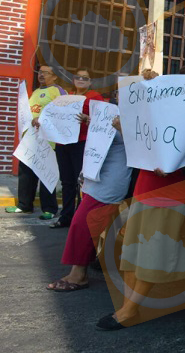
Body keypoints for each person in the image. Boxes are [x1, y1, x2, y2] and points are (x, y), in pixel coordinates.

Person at [96, 63, 185, 331]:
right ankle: (127, 308)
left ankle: (129, 310)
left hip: (170, 192)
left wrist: (174, 162)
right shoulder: (160, 108)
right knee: (133, 253)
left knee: (151, 256)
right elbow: (144, 143)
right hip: (144, 188)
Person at [47, 98, 133, 292]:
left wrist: (123, 129)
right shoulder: (112, 113)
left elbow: (142, 147)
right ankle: (81, 270)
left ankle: (79, 274)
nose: (121, 96)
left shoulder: (137, 119)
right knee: (93, 224)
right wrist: (92, 122)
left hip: (111, 180)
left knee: (83, 222)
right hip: (95, 176)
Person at [6, 65, 67, 219]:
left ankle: (50, 209)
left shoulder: (58, 91)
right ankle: (24, 205)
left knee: (46, 173)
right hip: (30, 140)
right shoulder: (36, 92)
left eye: (46, 72)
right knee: (26, 174)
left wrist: (43, 121)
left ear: (54, 77)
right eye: (40, 72)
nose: (41, 75)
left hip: (48, 142)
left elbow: (64, 114)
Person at [51, 67, 104, 229]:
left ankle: (81, 219)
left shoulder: (96, 97)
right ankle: (66, 217)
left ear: (90, 82)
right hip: (63, 144)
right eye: (78, 77)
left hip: (82, 144)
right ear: (73, 80)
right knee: (66, 182)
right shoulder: (67, 97)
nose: (80, 80)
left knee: (82, 182)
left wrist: (88, 119)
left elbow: (104, 121)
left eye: (85, 78)